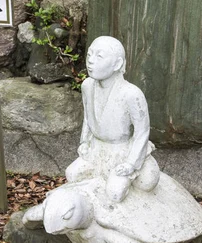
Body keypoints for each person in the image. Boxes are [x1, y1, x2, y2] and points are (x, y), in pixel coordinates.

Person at [65, 36, 160, 202]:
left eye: (99, 56)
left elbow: (142, 130)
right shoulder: (87, 86)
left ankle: (141, 169)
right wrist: (84, 142)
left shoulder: (131, 94)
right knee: (71, 174)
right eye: (89, 55)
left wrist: (131, 163)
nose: (91, 61)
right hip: (97, 149)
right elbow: (87, 118)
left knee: (116, 193)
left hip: (122, 151)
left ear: (117, 64)